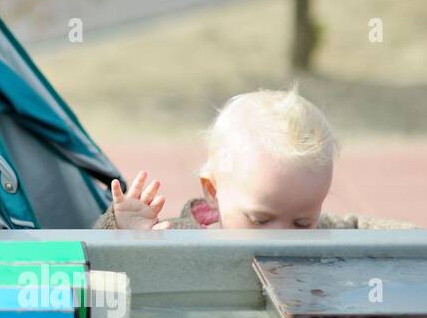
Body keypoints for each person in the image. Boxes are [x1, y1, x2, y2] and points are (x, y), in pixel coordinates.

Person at [95, 86, 414, 229]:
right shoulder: (179, 239)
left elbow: (369, 232)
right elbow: (99, 274)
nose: (281, 238)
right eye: (260, 220)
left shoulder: (319, 235)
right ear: (213, 191)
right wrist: (123, 236)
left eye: (301, 223)